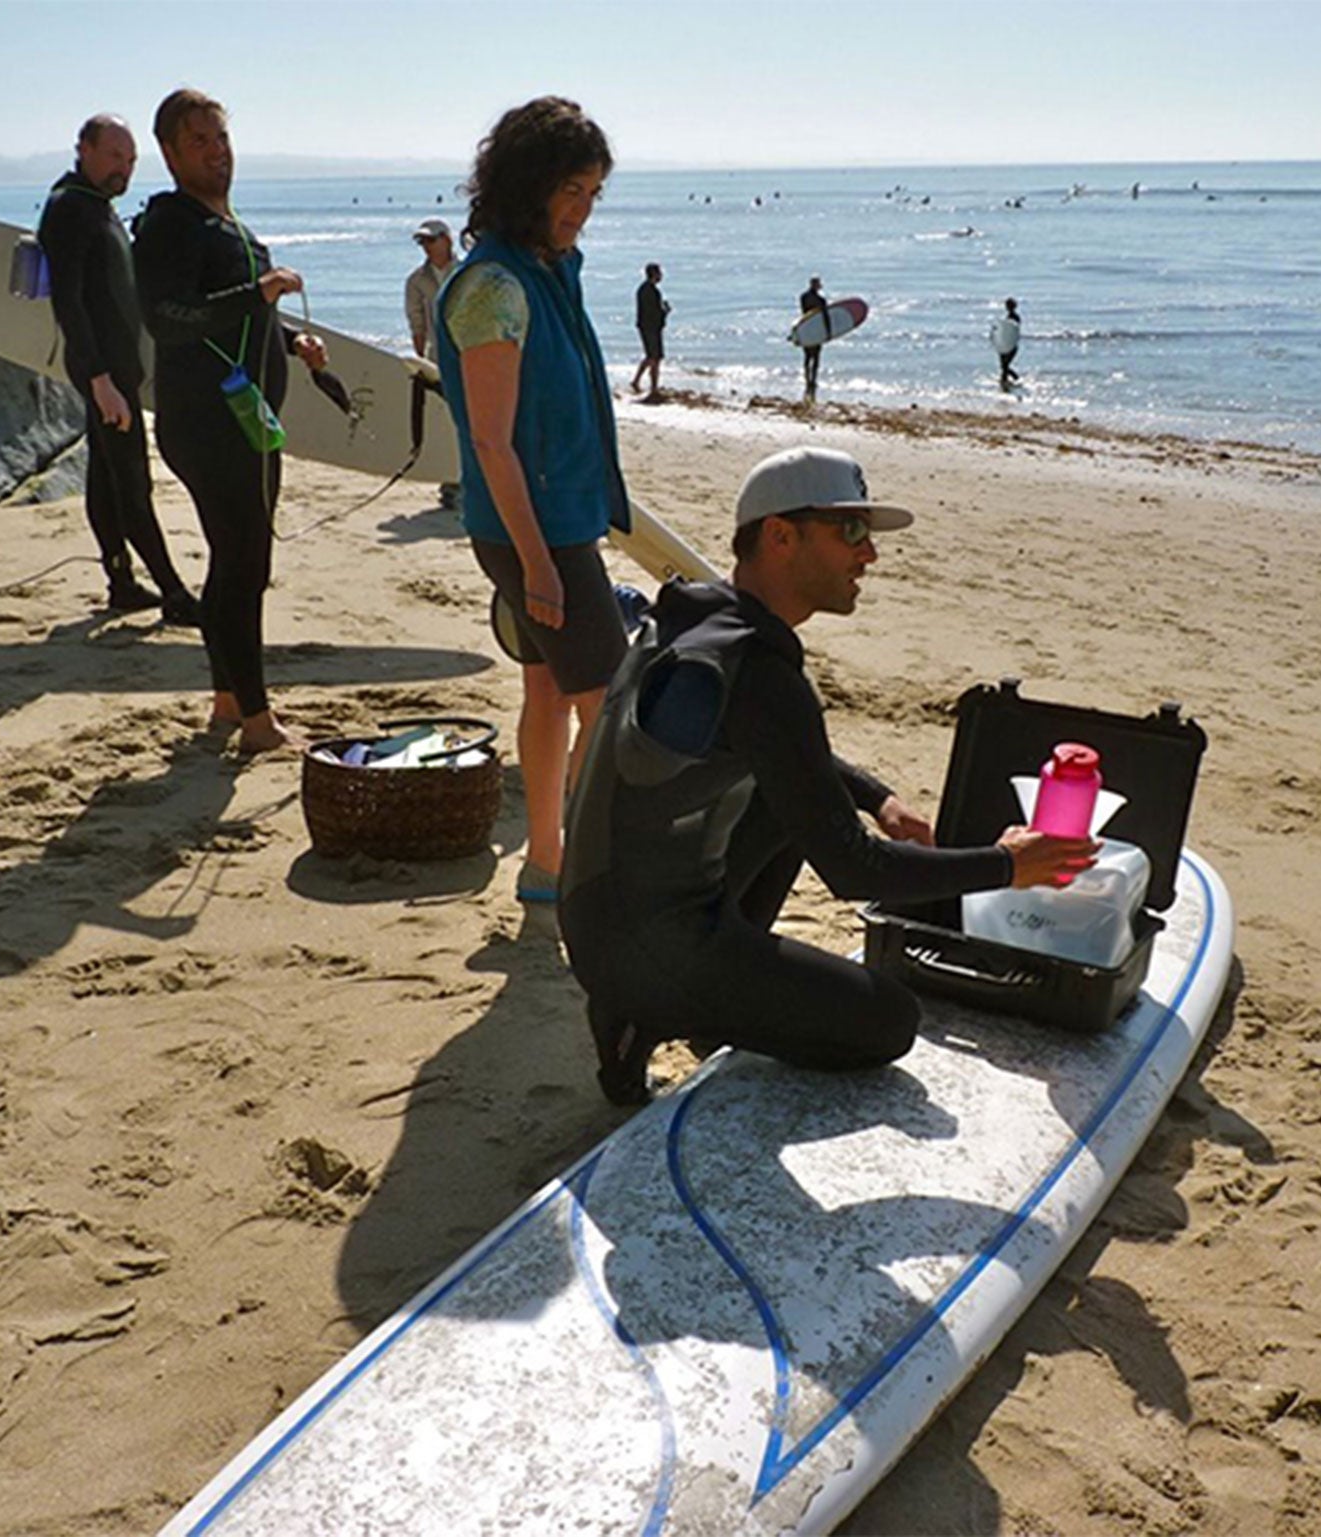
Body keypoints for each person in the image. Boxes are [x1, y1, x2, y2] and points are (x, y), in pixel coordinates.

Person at [560, 446, 1096, 1104]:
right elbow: (857, 871)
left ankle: (694, 999)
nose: (868, 553)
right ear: (780, 536)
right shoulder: (759, 673)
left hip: (597, 916)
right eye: (850, 532)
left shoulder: (693, 620)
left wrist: (879, 797)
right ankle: (665, 1011)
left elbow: (786, 759)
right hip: (644, 953)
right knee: (887, 1021)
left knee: (790, 803)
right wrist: (1009, 864)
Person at [431, 97, 631, 903]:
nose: (581, 211)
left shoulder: (546, 269)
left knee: (548, 692)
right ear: (529, 185)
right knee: (612, 711)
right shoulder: (492, 288)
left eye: (592, 194)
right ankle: (587, 865)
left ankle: (546, 861)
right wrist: (539, 561)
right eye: (570, 191)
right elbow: (489, 442)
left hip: (558, 521)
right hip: (531, 531)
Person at [133, 88, 330, 755]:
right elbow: (167, 317)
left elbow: (236, 319)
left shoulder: (228, 224)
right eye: (199, 142)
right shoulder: (170, 224)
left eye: (220, 137)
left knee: (237, 560)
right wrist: (261, 292)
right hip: (207, 423)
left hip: (247, 421)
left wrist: (288, 344)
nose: (216, 152)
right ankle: (256, 721)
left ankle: (226, 702)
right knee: (246, 564)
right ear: (169, 153)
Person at [37, 114, 197, 625]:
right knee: (132, 481)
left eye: (129, 161)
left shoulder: (95, 206)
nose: (122, 169)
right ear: (83, 148)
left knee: (105, 479)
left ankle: (121, 583)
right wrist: (100, 380)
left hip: (114, 370)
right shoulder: (70, 210)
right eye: (113, 157)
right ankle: (173, 593)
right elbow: (70, 301)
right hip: (104, 372)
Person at [403, 216, 462, 510]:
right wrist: (421, 363)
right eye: (421, 242)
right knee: (447, 420)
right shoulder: (417, 280)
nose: (425, 247)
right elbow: (417, 323)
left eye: (430, 240)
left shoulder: (467, 271)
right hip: (440, 359)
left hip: (473, 356)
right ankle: (451, 482)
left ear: (447, 240)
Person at [632, 261, 668, 400]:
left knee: (650, 356)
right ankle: (654, 388)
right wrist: (664, 312)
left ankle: (636, 381)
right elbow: (653, 312)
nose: (661, 276)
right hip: (651, 328)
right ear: (654, 274)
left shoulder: (644, 289)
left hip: (647, 327)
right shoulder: (651, 291)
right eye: (659, 273)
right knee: (655, 358)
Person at [798, 275, 829, 401]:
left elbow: (804, 314)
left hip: (807, 329)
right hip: (817, 330)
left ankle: (808, 381)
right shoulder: (821, 300)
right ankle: (812, 380)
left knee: (807, 357)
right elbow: (825, 317)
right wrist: (828, 333)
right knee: (815, 358)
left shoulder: (803, 297)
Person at [994, 297, 1022, 389]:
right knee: (1004, 366)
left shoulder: (1014, 317)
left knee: (1005, 366)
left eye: (1008, 305)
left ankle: (1015, 379)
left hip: (1010, 345)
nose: (1007, 307)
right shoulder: (1009, 317)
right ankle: (1005, 381)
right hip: (1006, 344)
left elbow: (1013, 330)